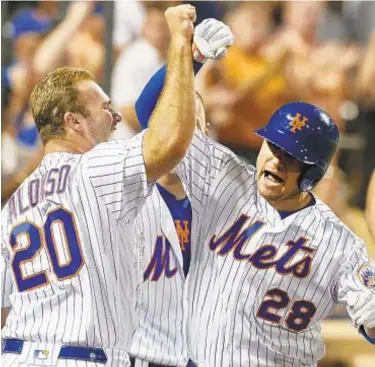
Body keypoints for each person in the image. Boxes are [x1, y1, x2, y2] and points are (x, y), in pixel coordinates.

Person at [1, 4, 199, 366]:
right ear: (73, 121)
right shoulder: (94, 169)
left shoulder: (13, 205)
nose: (117, 116)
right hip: (81, 357)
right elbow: (171, 142)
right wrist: (181, 47)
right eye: (105, 107)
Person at [136, 77, 375, 366]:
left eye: (291, 157)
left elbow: (371, 319)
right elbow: (151, 111)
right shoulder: (224, 177)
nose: (275, 161)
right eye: (272, 147)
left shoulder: (339, 245)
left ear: (314, 173)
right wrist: (189, 55)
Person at [128, 19, 234, 367]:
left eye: (189, 123)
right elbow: (148, 105)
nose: (177, 135)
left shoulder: (225, 203)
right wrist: (192, 57)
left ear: (205, 130)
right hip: (138, 354)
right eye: (169, 124)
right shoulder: (127, 192)